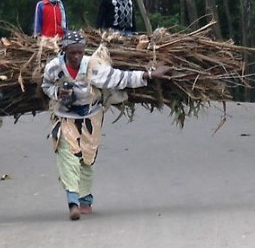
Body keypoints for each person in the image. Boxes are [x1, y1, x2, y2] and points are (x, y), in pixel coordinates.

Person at [41, 30, 171, 220]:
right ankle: (72, 202)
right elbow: (46, 86)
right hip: (64, 116)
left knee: (86, 158)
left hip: (91, 116)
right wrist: (57, 93)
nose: (76, 56)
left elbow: (120, 78)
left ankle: (85, 199)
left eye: (79, 52)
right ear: (65, 51)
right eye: (72, 53)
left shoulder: (93, 67)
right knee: (67, 154)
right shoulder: (53, 67)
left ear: (84, 50)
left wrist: (149, 75)